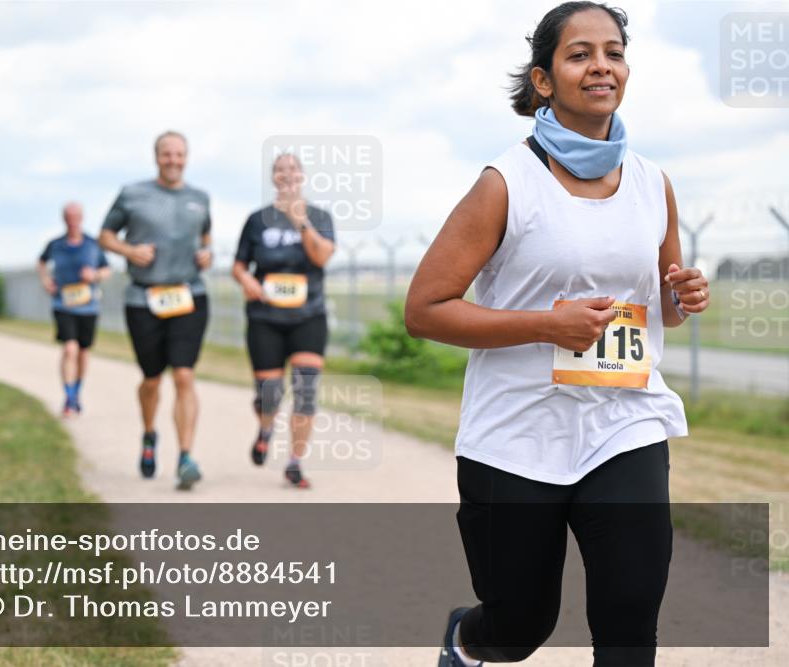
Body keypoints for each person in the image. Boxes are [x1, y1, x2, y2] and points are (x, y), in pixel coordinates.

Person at [404, 3, 710, 666]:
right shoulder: (505, 182)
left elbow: (664, 304)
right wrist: (549, 323)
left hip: (623, 421)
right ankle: (467, 639)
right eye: (580, 54)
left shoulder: (654, 183)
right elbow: (424, 308)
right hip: (517, 435)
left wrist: (683, 298)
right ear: (544, 80)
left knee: (630, 616)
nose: (602, 65)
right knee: (519, 627)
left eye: (614, 51)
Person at [99, 131, 213, 491]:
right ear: (156, 157)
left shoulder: (200, 198)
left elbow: (206, 237)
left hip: (188, 295)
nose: (173, 160)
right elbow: (105, 235)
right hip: (143, 298)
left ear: (187, 157)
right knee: (152, 379)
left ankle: (185, 457)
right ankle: (150, 435)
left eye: (179, 154)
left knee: (184, 376)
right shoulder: (132, 194)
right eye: (167, 154)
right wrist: (129, 252)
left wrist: (207, 255)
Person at [232, 153, 336, 489]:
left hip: (309, 315)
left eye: (292, 169)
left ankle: (294, 463)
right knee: (269, 395)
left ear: (302, 176)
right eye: (280, 170)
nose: (286, 175)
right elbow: (239, 265)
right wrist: (247, 282)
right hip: (266, 316)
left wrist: (300, 221)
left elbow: (322, 256)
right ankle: (265, 427)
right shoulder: (256, 220)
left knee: (305, 391)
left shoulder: (319, 216)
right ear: (273, 177)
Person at [38, 202, 112, 417]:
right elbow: (41, 263)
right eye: (68, 216)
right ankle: (69, 397)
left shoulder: (92, 244)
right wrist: (45, 281)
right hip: (63, 304)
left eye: (76, 216)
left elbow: (107, 270)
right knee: (69, 348)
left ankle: (77, 391)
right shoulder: (55, 245)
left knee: (82, 352)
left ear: (82, 218)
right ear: (64, 218)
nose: (72, 220)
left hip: (88, 306)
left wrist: (95, 276)